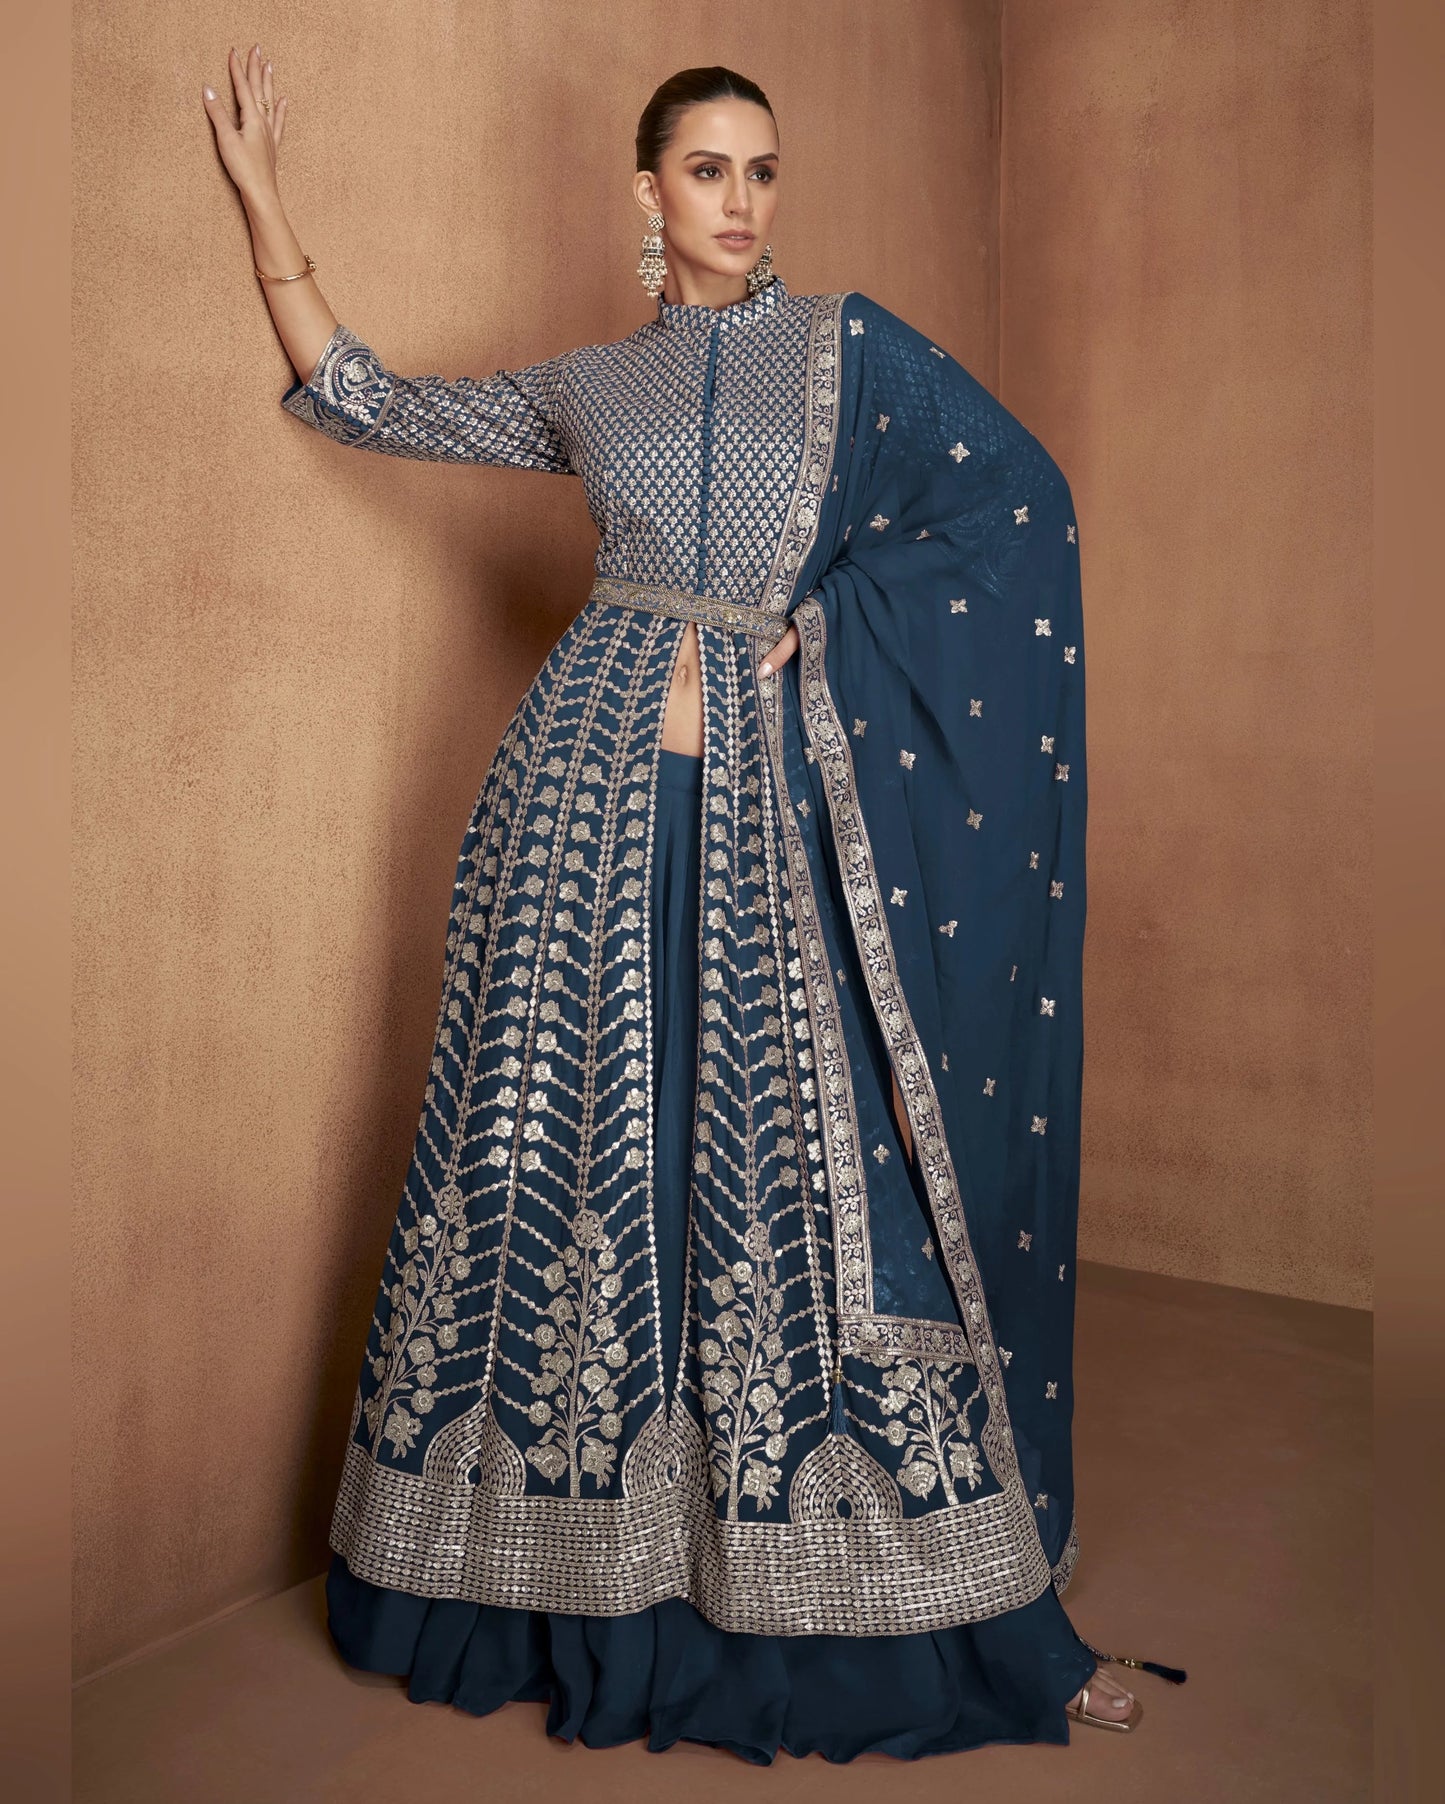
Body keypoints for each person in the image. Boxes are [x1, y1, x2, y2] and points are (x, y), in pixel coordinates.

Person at [203, 47, 1185, 1761]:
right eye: (708, 170)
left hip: (765, 803)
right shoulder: (592, 383)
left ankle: (956, 1622)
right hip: (575, 803)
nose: (739, 202)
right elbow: (374, 399)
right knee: (556, 1156)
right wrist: (270, 213)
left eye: (762, 171)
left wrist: (850, 635)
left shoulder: (849, 357)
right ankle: (537, 1570)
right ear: (643, 190)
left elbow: (1015, 507)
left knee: (791, 1172)